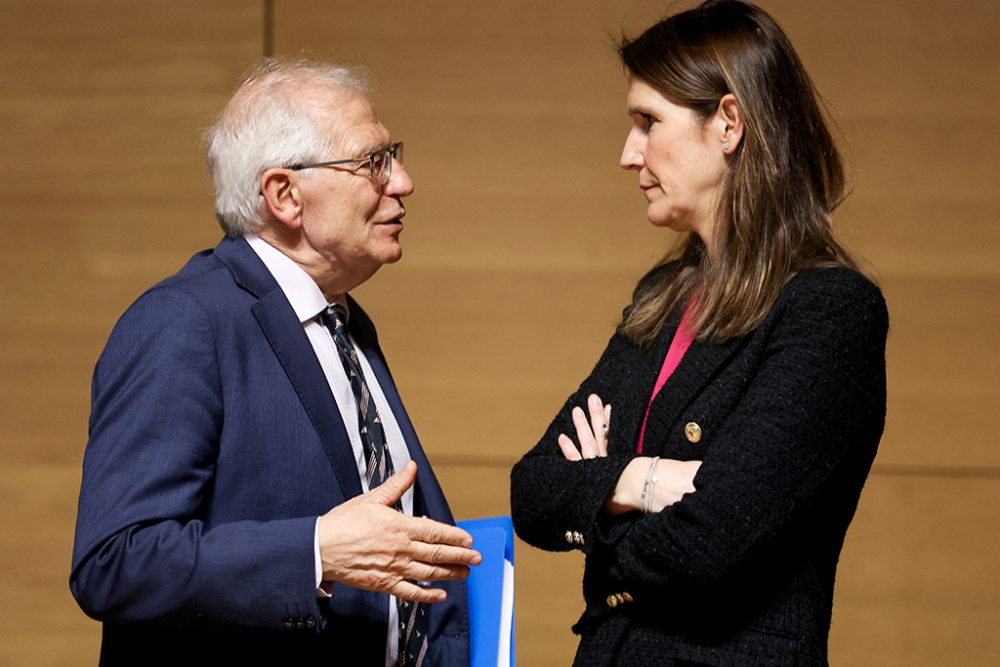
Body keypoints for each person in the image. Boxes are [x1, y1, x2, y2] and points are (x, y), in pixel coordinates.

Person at [510, 1, 888, 665]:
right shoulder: (662, 297)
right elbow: (533, 488)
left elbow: (710, 541)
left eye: (648, 122)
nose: (629, 155)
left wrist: (599, 499)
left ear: (729, 123)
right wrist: (645, 480)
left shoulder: (830, 312)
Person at [71, 58, 480, 667]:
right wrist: (314, 553)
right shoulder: (184, 320)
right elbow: (116, 561)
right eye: (373, 162)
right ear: (285, 195)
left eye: (391, 155)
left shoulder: (345, 322)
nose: (403, 181)